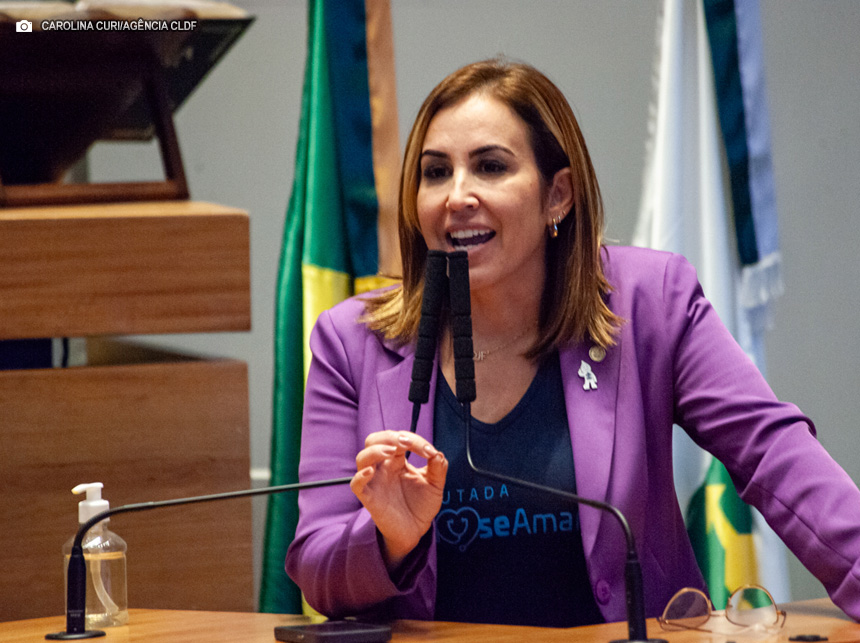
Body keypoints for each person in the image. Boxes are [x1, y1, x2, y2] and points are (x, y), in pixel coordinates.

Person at [285, 58, 860, 627]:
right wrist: (390, 541)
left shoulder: (648, 303)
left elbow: (772, 453)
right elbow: (317, 566)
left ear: (558, 195)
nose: (456, 195)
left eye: (489, 167)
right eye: (435, 173)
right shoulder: (353, 343)